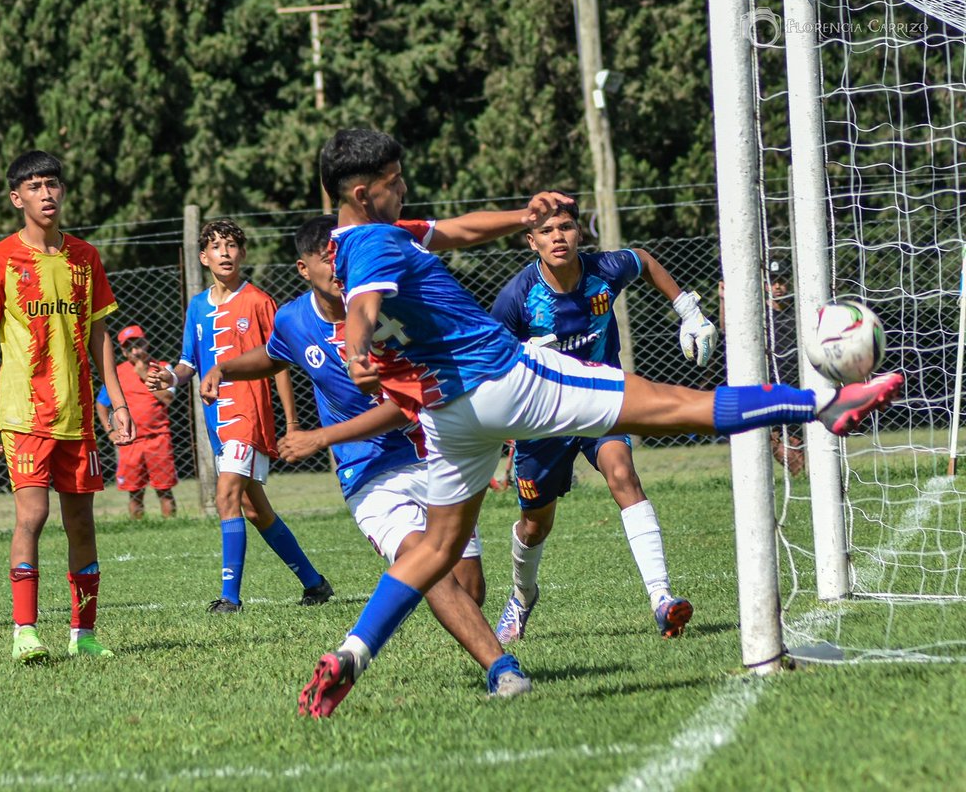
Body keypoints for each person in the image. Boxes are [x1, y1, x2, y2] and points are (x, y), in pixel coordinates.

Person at [298, 127, 904, 718]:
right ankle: (822, 405)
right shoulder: (373, 247)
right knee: (668, 405)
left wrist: (524, 216)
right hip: (503, 379)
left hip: (447, 415)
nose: (404, 189)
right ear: (363, 194)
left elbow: (454, 231)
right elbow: (365, 307)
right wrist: (356, 350)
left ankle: (350, 654)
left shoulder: (351, 244)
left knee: (436, 549)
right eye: (394, 181)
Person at [200, 212, 554, 697]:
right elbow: (275, 353)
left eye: (340, 254)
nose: (337, 265)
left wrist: (320, 437)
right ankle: (504, 670)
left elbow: (404, 406)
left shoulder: (388, 305)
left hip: (432, 452)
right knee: (420, 559)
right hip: (367, 474)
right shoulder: (294, 320)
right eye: (325, 258)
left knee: (470, 587)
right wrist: (225, 368)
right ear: (303, 269)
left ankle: (482, 650)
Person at [489, 202, 716, 644]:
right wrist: (526, 362)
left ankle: (661, 599)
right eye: (546, 230)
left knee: (623, 474)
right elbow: (492, 359)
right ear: (531, 241)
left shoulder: (605, 271)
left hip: (600, 403)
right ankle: (521, 596)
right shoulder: (517, 297)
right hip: (544, 417)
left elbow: (643, 260)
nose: (558, 236)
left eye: (566, 227)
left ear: (579, 233)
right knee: (535, 525)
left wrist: (688, 311)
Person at [0, 150, 134, 663]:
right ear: (16, 197)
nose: (46, 194)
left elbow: (100, 334)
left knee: (82, 523)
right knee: (34, 515)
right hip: (24, 413)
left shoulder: (85, 257)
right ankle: (24, 631)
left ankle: (83, 633)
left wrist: (118, 401)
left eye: (53, 184)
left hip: (79, 415)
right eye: (35, 186)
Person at [151, 219, 332, 614]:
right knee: (254, 509)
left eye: (232, 245)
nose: (225, 252)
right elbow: (187, 363)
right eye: (217, 246)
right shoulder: (197, 306)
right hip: (217, 421)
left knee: (226, 495)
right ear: (204, 257)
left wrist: (292, 423)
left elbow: (280, 363)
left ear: (243, 253)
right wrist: (170, 377)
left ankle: (230, 599)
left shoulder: (259, 302)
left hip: (249, 416)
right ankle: (314, 583)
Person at [717, 258, 806, 476]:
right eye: (773, 281)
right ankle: (797, 472)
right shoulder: (758, 313)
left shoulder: (798, 310)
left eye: (782, 280)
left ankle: (802, 475)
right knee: (768, 436)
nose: (778, 286)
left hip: (796, 381)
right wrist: (723, 300)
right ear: (765, 285)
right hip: (769, 384)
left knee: (797, 441)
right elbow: (727, 329)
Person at [96, 324, 178, 519]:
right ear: (124, 352)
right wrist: (110, 430)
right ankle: (137, 524)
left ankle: (172, 524)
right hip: (131, 442)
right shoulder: (117, 373)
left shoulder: (162, 368)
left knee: (164, 489)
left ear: (146, 343)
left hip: (158, 438)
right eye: (130, 347)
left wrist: (143, 375)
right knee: (134, 491)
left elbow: (167, 398)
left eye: (139, 344)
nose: (136, 351)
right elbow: (101, 405)